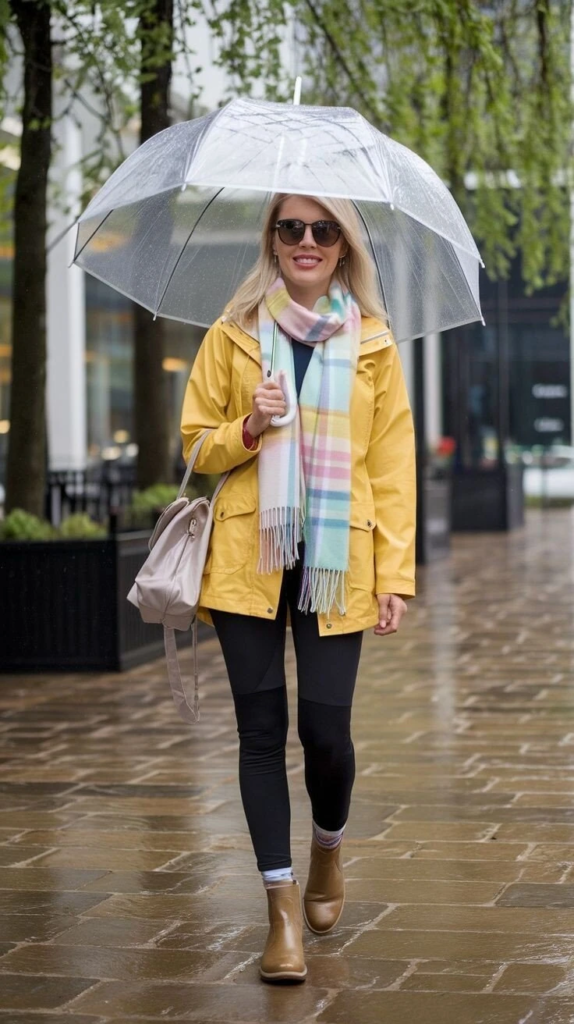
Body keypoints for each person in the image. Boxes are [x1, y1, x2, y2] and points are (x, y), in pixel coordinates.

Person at [180, 192, 416, 983]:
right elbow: (193, 447)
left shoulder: (376, 344)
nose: (306, 242)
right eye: (292, 228)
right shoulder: (231, 334)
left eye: (323, 230)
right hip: (250, 551)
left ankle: (329, 846)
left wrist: (396, 574)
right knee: (258, 731)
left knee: (326, 734)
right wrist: (247, 427)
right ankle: (280, 915)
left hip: (338, 557)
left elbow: (390, 469)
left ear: (343, 247)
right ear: (273, 241)